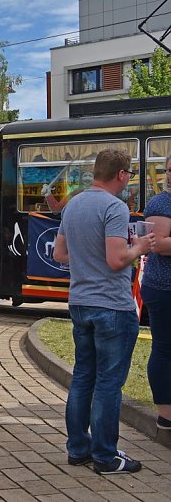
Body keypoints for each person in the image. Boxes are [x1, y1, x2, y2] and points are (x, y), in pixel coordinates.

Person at [53, 149, 154, 474]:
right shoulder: (114, 207)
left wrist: (88, 258)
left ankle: (78, 449)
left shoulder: (74, 204)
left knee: (83, 377)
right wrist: (140, 247)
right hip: (112, 305)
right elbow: (115, 260)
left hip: (80, 302)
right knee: (109, 384)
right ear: (121, 175)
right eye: (129, 176)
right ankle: (106, 457)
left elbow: (59, 253)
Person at [143, 154, 171, 430]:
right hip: (164, 288)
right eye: (170, 169)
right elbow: (159, 245)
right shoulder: (161, 203)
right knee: (164, 347)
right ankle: (166, 414)